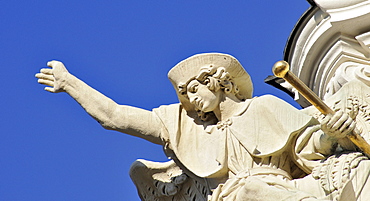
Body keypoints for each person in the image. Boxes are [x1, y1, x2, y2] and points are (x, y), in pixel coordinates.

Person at [35, 53, 366, 200]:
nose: (188, 101)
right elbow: (115, 116)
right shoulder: (184, 126)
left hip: (278, 190)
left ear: (218, 82)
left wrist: (331, 133)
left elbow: (309, 147)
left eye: (193, 89)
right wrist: (70, 83)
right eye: (183, 95)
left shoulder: (264, 107)